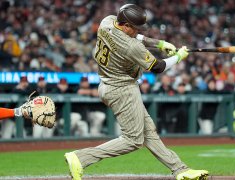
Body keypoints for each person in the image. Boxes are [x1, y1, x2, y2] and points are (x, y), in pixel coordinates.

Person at [64, 4, 208, 180]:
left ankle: (180, 169)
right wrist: (179, 57)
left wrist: (159, 44)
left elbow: (137, 37)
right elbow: (158, 67)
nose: (136, 31)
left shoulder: (107, 22)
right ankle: (80, 157)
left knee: (148, 132)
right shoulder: (130, 46)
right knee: (133, 140)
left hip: (109, 84)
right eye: (134, 27)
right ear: (125, 25)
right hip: (122, 89)